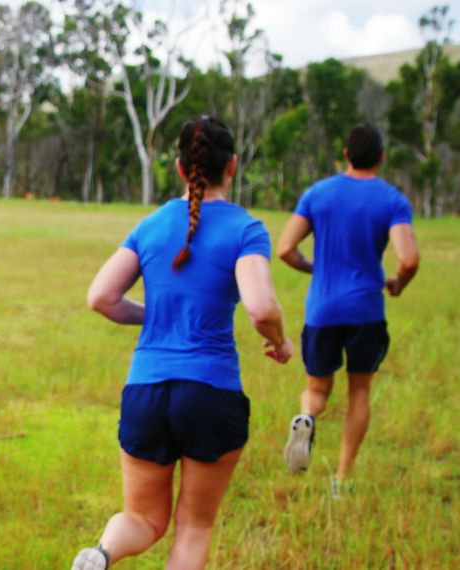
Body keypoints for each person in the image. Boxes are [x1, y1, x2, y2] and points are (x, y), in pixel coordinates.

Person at [73, 116, 293, 570]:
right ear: (232, 166)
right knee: (193, 527)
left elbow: (101, 297)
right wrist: (282, 342)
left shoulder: (150, 226)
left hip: (147, 391)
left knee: (142, 517)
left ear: (178, 167)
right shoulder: (246, 228)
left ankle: (100, 553)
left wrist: (151, 314)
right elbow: (262, 308)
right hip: (211, 393)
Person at [277, 124, 418, 494]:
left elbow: (285, 248)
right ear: (382, 157)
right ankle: (341, 479)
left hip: (322, 308)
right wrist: (397, 285)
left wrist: (314, 267)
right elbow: (409, 259)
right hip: (366, 311)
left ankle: (306, 416)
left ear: (345, 154)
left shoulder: (318, 194)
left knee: (317, 388)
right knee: (359, 391)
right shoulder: (392, 200)